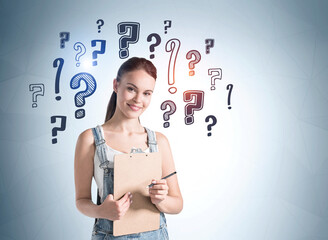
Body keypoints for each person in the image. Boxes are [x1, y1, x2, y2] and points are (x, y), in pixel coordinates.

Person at [74, 57, 183, 239]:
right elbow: (81, 201)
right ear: (116, 85)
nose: (138, 100)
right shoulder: (89, 139)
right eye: (131, 89)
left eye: (147, 93)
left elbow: (178, 204)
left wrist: (161, 200)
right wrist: (102, 211)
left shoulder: (159, 141)